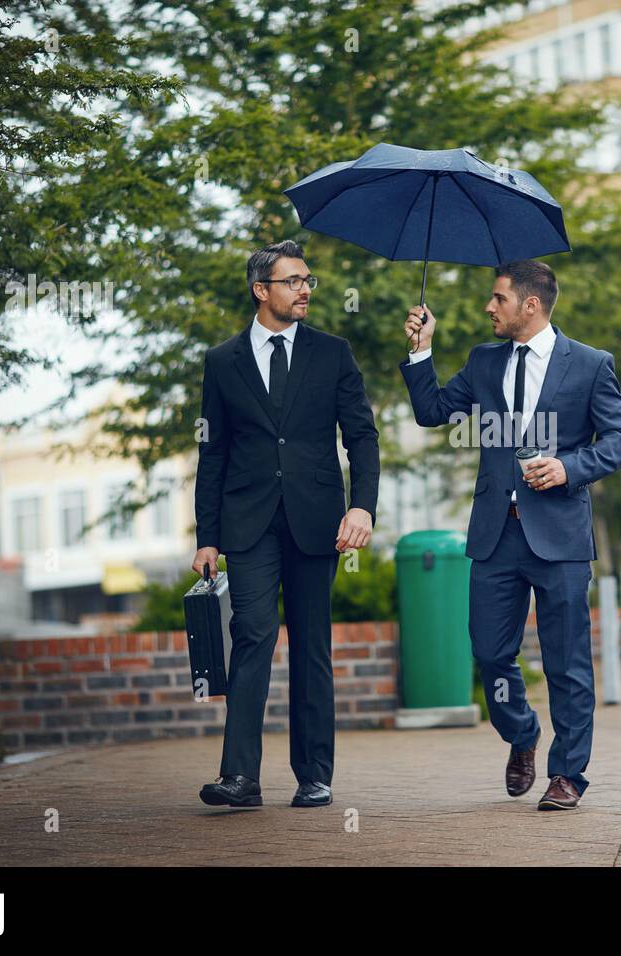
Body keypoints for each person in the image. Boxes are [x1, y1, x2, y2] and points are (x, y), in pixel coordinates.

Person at [400, 259, 621, 809]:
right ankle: (523, 732)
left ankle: (567, 775)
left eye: (498, 299)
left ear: (530, 305)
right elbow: (431, 412)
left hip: (559, 536)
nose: (489, 307)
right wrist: (420, 350)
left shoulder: (591, 364)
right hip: (495, 535)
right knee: (489, 652)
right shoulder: (485, 361)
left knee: (567, 661)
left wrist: (569, 468)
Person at [191, 240, 379, 809]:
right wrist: (207, 536)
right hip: (247, 524)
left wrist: (362, 505)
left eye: (308, 281)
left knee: (311, 646)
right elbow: (212, 453)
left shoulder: (333, 353)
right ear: (261, 290)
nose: (304, 291)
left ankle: (314, 773)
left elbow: (361, 437)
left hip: (317, 521)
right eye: (293, 281)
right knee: (252, 636)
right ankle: (240, 778)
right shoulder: (222, 362)